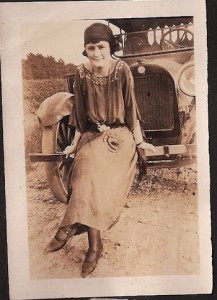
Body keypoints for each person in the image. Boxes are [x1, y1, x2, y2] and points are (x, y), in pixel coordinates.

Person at [45, 22, 156, 277]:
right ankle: (95, 244)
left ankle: (69, 227)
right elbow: (80, 116)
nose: (96, 53)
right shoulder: (81, 74)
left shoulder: (122, 70)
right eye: (91, 47)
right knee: (84, 169)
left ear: (110, 47)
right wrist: (73, 144)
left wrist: (139, 142)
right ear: (85, 49)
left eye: (101, 46)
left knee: (94, 172)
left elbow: (131, 111)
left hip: (120, 136)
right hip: (92, 134)